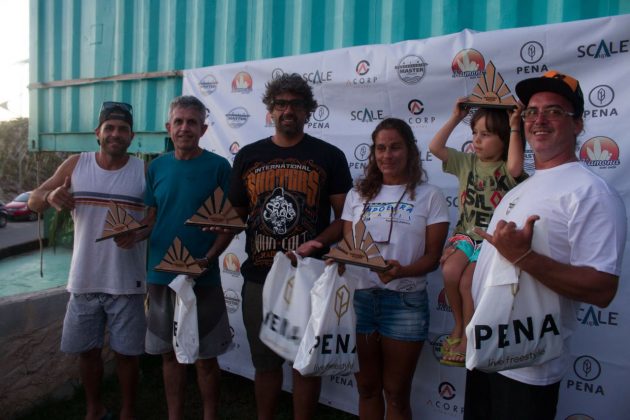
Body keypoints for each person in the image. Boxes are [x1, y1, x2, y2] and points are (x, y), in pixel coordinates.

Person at [464, 71, 627, 419]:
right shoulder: (522, 187)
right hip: (488, 353)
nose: (538, 119)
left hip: (527, 368)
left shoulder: (591, 192)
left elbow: (602, 289)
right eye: (531, 112)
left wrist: (523, 256)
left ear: (578, 124)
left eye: (554, 111)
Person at [229, 73, 353, 420]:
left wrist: (318, 243)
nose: (288, 110)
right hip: (259, 277)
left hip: (309, 275)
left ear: (308, 111)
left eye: (296, 105)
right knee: (266, 364)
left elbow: (345, 218)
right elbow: (235, 213)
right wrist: (209, 226)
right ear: (270, 109)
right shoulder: (249, 156)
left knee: (305, 364)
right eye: (281, 104)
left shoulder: (329, 155)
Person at [28, 101, 146, 420]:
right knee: (88, 352)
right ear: (98, 133)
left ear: (132, 135)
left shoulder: (142, 171)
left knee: (127, 355)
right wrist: (51, 197)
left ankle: (128, 412)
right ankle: (94, 410)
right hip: (84, 281)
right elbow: (35, 200)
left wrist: (139, 233)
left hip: (128, 282)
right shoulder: (76, 165)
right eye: (109, 128)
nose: (115, 134)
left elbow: (155, 217)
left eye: (122, 129)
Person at [341, 118, 449, 419]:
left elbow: (432, 257)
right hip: (360, 300)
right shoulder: (356, 195)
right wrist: (339, 259)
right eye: (381, 148)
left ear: (410, 151)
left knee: (397, 394)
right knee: (366, 388)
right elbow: (351, 247)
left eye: (395, 147)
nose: (387, 155)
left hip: (405, 301)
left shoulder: (430, 196)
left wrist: (402, 271)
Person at [143, 96, 234, 420]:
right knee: (169, 354)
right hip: (160, 277)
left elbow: (228, 224)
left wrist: (208, 259)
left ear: (203, 128)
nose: (184, 128)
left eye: (191, 122)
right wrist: (129, 232)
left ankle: (210, 415)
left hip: (203, 277)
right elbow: (149, 217)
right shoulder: (156, 167)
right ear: (169, 128)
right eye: (178, 122)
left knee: (206, 358)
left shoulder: (219, 167)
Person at [428, 99, 525, 366]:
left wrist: (516, 125)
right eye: (474, 133)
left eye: (486, 134)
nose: (477, 140)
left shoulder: (509, 168)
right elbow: (435, 147)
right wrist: (456, 117)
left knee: (467, 283)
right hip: (465, 236)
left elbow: (516, 168)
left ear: (504, 139)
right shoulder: (466, 162)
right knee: (449, 272)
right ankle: (458, 326)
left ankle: (470, 334)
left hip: (492, 242)